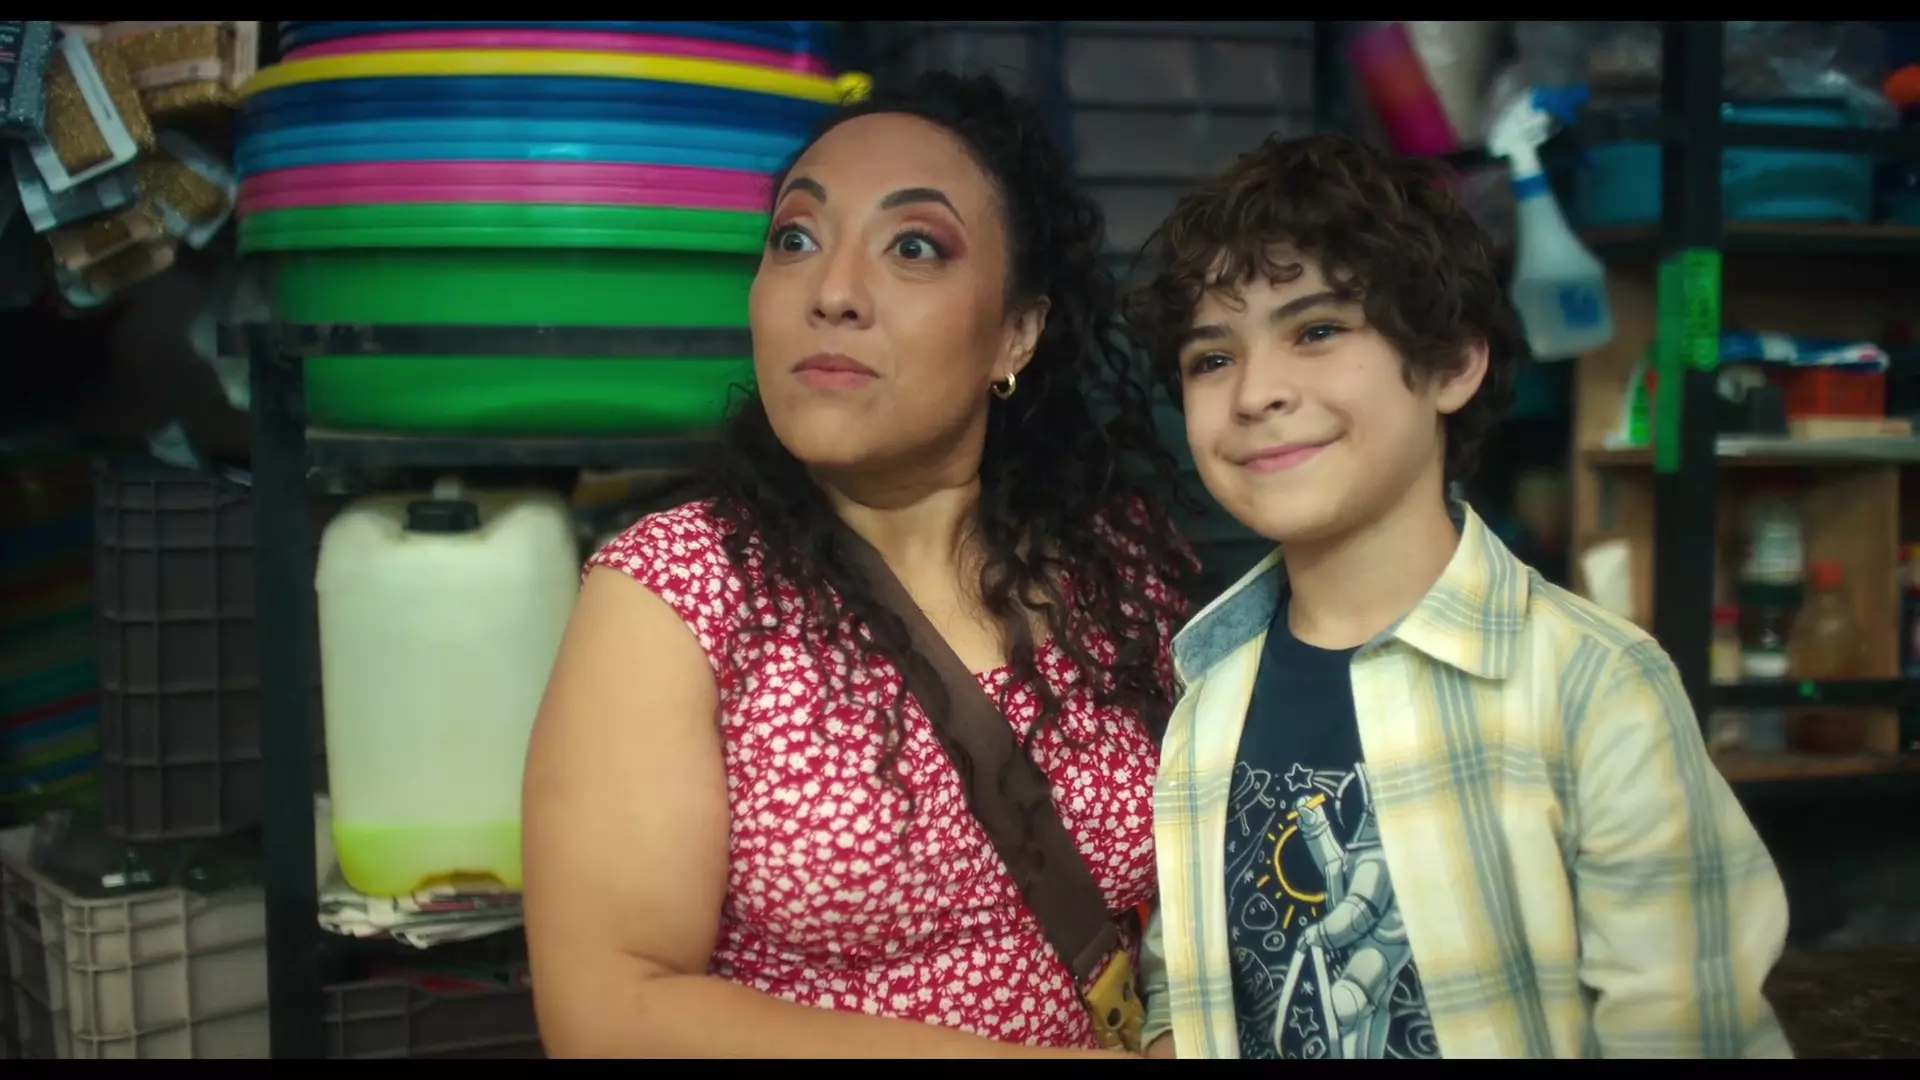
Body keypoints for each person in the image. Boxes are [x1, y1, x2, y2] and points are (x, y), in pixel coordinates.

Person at [521, 71, 1196, 1058]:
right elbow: (611, 1015)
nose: (832, 292)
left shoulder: (1119, 567)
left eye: (913, 247)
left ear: (1016, 332)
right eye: (795, 239)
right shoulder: (675, 589)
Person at [1124, 133, 1792, 1060]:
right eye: (1211, 358)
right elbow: (1187, 987)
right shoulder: (1205, 698)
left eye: (1317, 331)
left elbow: (1687, 1031)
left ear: (1451, 365)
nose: (1256, 393)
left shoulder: (1593, 687)